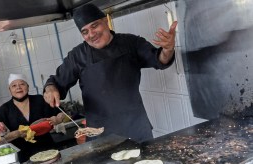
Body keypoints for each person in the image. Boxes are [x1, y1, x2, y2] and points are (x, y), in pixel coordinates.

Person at [43, 4, 177, 143]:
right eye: (85, 32)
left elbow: (159, 60)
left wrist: (168, 49)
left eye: (95, 26)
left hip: (136, 127)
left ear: (106, 21)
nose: (91, 34)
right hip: (99, 134)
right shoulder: (77, 55)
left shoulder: (131, 43)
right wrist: (50, 88)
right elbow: (56, 82)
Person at [0, 73, 64, 163]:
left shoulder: (40, 100)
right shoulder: (4, 110)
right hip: (23, 158)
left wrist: (58, 119)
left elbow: (63, 113)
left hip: (49, 151)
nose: (18, 87)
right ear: (10, 90)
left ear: (28, 86)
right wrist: (17, 134)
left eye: (22, 84)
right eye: (14, 85)